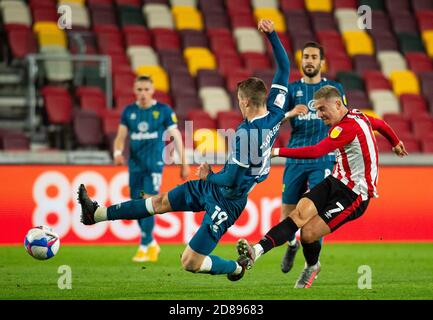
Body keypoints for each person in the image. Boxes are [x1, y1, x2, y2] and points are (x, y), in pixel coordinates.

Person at [77, 19, 289, 280]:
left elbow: (232, 178)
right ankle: (96, 213)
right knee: (160, 201)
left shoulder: (248, 134)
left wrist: (208, 175)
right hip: (214, 187)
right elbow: (284, 68)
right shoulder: (276, 112)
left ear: (244, 101)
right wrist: (272, 35)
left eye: (238, 101)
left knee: (190, 261)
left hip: (228, 200)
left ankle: (236, 268)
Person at [235, 85, 408, 288]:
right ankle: (256, 251)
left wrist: (275, 152)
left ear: (337, 104)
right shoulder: (357, 115)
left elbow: (316, 151)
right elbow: (379, 124)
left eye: (322, 109)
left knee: (308, 233)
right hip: (335, 181)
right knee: (298, 214)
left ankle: (312, 266)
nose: (319, 114)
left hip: (355, 195)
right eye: (317, 109)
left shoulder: (345, 128)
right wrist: (395, 142)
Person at [280, 42, 346, 274]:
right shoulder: (290, 90)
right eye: (305, 56)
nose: (309, 60)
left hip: (323, 158)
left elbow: (344, 121)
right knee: (287, 211)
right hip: (296, 158)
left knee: (315, 212)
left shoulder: (334, 88)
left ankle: (311, 264)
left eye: (314, 57)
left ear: (322, 62)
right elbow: (274, 121)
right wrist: (289, 113)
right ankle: (291, 243)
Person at [113, 75, 190, 262]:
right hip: (135, 165)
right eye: (139, 90)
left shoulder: (163, 110)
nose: (143, 94)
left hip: (154, 165)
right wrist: (117, 152)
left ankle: (144, 245)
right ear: (134, 91)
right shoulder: (129, 111)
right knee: (136, 204)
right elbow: (121, 136)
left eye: (146, 89)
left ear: (152, 90)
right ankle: (152, 243)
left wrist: (183, 162)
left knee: (147, 202)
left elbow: (176, 136)